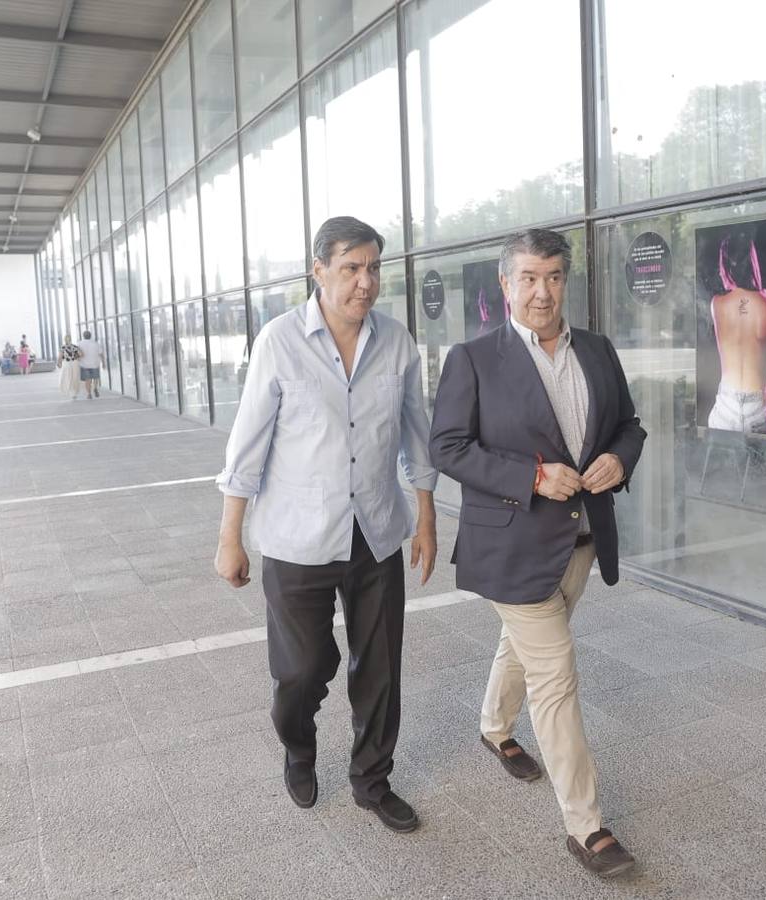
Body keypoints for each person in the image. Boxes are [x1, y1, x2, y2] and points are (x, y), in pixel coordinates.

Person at [429, 228, 646, 878]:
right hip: (512, 544)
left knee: (521, 647)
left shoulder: (599, 350)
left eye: (553, 277)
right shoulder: (473, 359)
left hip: (581, 542)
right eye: (528, 277)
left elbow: (629, 425)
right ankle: (587, 828)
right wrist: (530, 475)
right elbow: (449, 448)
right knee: (555, 674)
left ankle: (494, 727)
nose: (542, 291)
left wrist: (617, 459)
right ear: (505, 286)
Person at [214, 216, 438, 833]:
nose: (365, 282)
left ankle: (372, 779)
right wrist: (229, 537)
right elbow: (247, 446)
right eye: (351, 268)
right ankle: (299, 748)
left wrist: (425, 517)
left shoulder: (396, 342)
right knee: (302, 670)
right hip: (296, 537)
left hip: (375, 529)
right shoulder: (279, 342)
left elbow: (417, 435)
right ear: (318, 271)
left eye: (372, 268)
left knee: (382, 665)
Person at [706, 231, 766, 435]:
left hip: (725, 409)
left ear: (725, 266)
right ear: (753, 262)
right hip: (758, 413)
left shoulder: (716, 305)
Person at [76, 330, 103, 398]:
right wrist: (104, 363)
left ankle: (89, 394)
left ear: (83, 336)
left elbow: (77, 354)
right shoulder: (95, 343)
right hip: (95, 364)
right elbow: (101, 354)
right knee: (95, 378)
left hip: (84, 365)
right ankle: (95, 388)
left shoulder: (79, 344)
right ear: (90, 336)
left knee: (87, 380)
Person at [57, 334, 82, 399]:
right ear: (70, 339)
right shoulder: (75, 347)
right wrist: (76, 357)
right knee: (75, 377)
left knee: (67, 377)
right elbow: (81, 354)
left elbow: (60, 357)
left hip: (67, 363)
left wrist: (59, 363)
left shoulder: (63, 347)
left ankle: (71, 391)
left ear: (64, 339)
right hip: (75, 363)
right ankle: (74, 392)